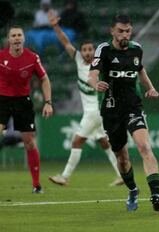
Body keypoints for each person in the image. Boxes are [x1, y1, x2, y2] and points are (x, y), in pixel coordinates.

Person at [88, 14, 159, 212]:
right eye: (120, 31)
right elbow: (92, 75)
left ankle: (156, 193)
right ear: (112, 31)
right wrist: (97, 84)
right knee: (122, 158)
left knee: (144, 147)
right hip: (111, 111)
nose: (125, 34)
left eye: (128, 31)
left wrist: (150, 88)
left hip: (133, 107)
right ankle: (133, 189)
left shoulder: (136, 49)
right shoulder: (104, 50)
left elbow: (140, 70)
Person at [46, 11, 124, 187]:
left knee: (77, 141)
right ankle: (122, 174)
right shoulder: (79, 60)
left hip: (94, 111)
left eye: (90, 49)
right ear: (81, 51)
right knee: (104, 142)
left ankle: (65, 176)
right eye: (85, 50)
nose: (87, 52)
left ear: (94, 51)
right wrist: (55, 26)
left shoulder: (100, 63)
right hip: (96, 112)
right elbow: (65, 42)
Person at [0, 25, 53, 193]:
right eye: (13, 35)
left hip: (23, 102)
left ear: (23, 38)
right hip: (2, 100)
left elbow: (44, 79)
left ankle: (36, 185)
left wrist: (48, 102)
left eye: (19, 35)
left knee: (29, 143)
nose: (16, 38)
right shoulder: (1, 57)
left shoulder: (32, 57)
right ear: (9, 40)